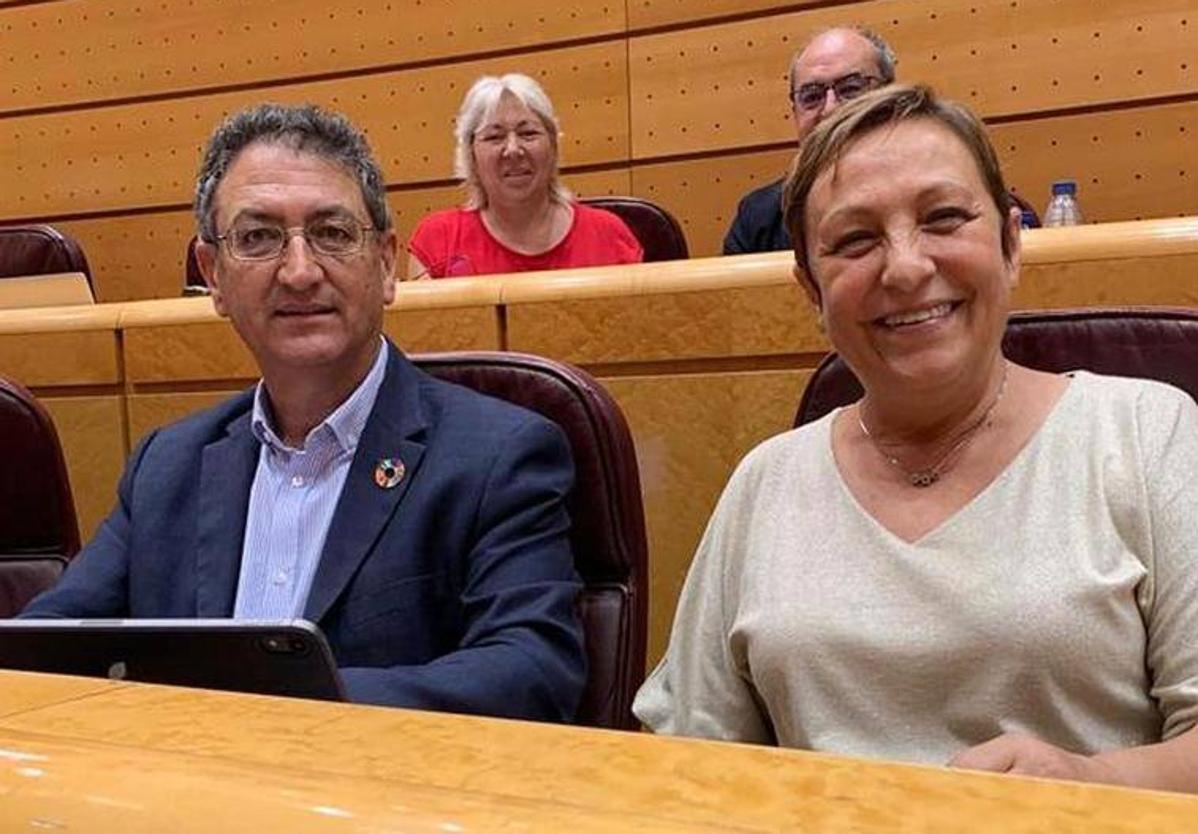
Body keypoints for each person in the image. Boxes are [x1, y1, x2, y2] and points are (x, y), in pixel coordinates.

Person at [635, 85, 1198, 792]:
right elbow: (692, 757)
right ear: (812, 291)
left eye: (943, 218)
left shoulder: (1147, 433)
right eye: (855, 240)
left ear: (1011, 246)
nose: (904, 267)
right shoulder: (765, 479)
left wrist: (1091, 777)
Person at [21, 103, 586, 723]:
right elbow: (39, 652)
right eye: (258, 238)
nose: (298, 271)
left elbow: (534, 670)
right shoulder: (167, 467)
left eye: (333, 233)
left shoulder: (498, 455)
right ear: (213, 275)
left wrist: (278, 708)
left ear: (386, 264)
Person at [407, 73, 643, 278]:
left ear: (553, 147)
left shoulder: (610, 237)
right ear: (471, 155)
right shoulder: (437, 243)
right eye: (494, 137)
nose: (513, 150)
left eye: (528, 133)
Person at [722, 26, 896, 255]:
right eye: (812, 96)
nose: (830, 109)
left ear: (891, 96)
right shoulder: (759, 216)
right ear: (795, 112)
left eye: (851, 89)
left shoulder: (934, 189)